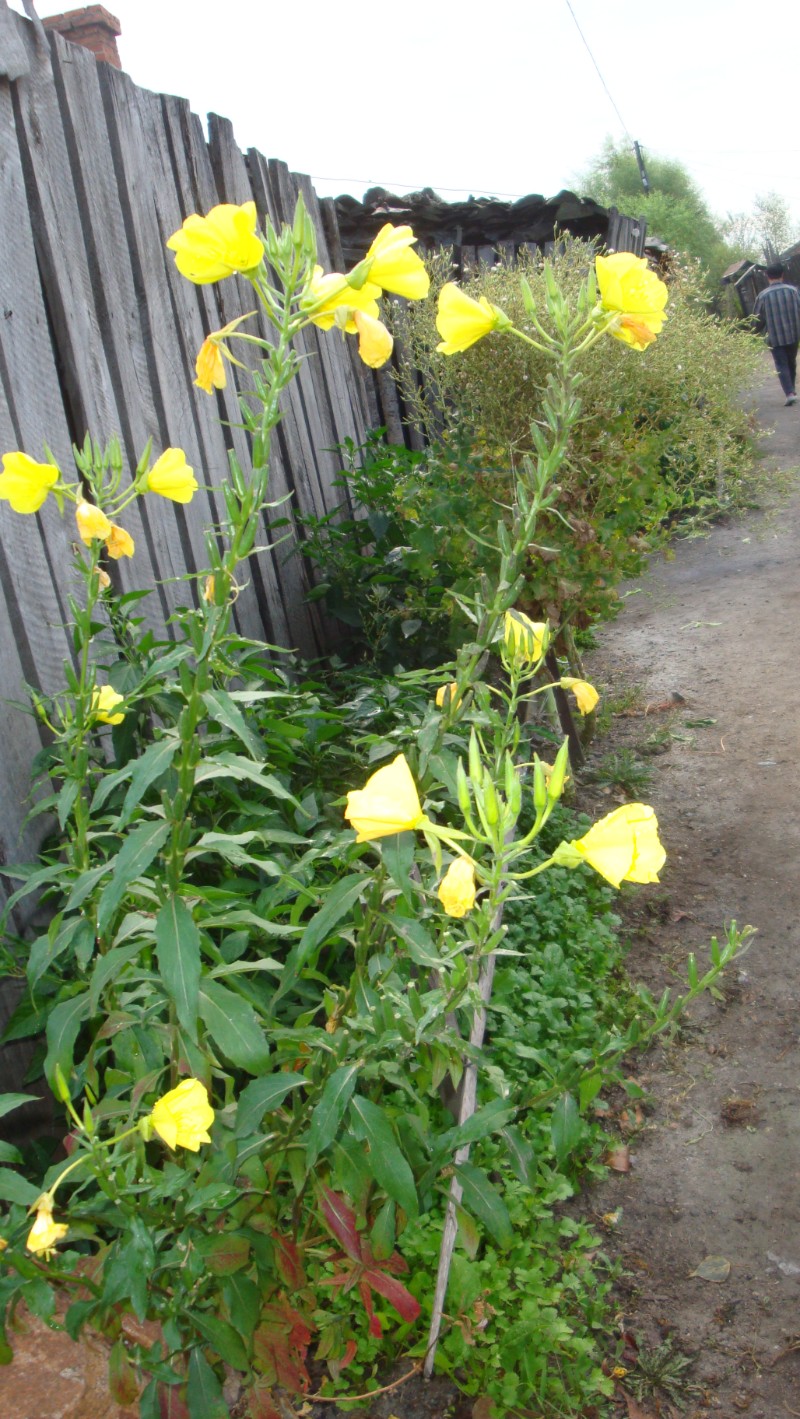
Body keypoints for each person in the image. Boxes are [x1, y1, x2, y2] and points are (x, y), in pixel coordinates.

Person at [753, 262, 800, 406]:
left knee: (781, 364)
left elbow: (757, 319)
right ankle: (791, 390)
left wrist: (754, 331)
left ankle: (789, 392)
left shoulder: (763, 296)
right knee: (791, 362)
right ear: (782, 275)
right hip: (793, 335)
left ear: (767, 276)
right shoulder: (793, 291)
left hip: (774, 337)